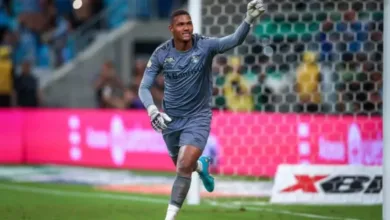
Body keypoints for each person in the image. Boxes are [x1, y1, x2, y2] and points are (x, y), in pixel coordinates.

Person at [138, 1, 265, 219]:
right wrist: (152, 110)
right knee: (183, 165)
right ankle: (202, 166)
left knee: (182, 167)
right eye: (181, 25)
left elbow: (234, 40)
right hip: (170, 119)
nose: (186, 28)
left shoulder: (205, 46)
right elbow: (144, 87)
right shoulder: (161, 53)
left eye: (189, 23)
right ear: (172, 29)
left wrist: (249, 20)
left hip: (198, 117)